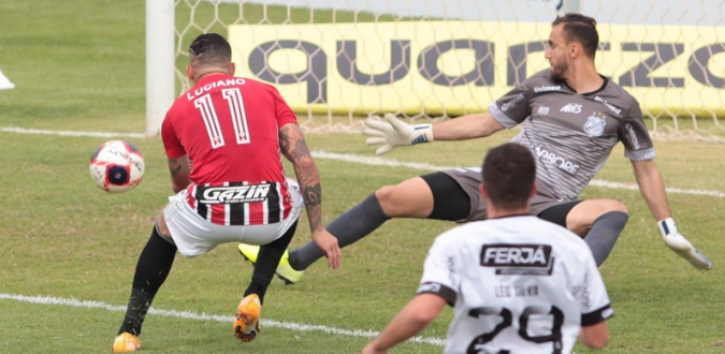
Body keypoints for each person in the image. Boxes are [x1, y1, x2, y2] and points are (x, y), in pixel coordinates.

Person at [238, 13, 711, 282]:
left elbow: (645, 167)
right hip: (488, 182)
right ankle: (296, 262)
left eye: (551, 44)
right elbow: (485, 123)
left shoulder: (620, 106)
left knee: (610, 209)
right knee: (388, 197)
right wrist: (415, 134)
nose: (545, 51)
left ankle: (575, 282)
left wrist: (667, 226)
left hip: (547, 203)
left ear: (575, 50)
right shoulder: (539, 85)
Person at [111, 33, 341, 352]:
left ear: (190, 70)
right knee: (292, 192)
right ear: (231, 68)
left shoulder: (176, 113)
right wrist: (318, 229)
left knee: (164, 229)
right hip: (269, 216)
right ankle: (255, 293)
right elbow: (303, 161)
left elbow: (181, 185)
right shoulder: (267, 92)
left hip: (208, 214)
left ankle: (129, 332)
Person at [362, 143, 613, 354]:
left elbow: (422, 313)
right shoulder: (571, 246)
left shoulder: (456, 242)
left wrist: (377, 347)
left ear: (483, 190)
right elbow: (597, 339)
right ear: (533, 191)